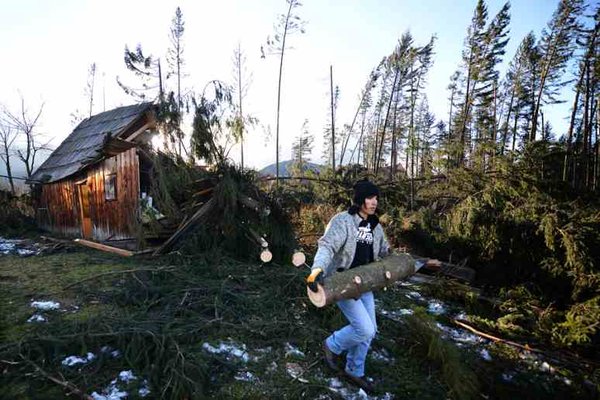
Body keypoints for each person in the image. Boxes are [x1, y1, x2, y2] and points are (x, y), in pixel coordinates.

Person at [307, 179, 439, 392]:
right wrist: (317, 269)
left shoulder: (375, 226)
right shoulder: (343, 221)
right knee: (365, 329)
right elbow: (327, 245)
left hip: (366, 282)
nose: (374, 202)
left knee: (371, 330)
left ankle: (354, 370)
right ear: (359, 199)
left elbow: (385, 252)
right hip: (343, 283)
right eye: (370, 197)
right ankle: (332, 345)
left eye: (376, 198)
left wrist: (412, 263)